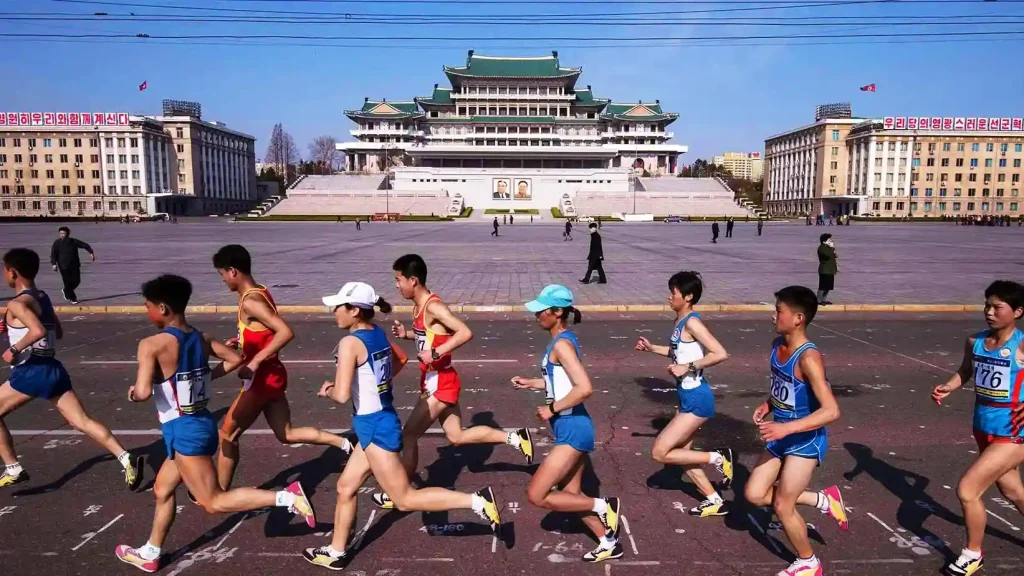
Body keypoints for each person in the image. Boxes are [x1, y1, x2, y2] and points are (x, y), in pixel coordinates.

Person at [115, 274, 315, 572]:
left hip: (185, 431)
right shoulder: (201, 337)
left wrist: (133, 394)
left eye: (148, 307)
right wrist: (205, 376)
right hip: (198, 425)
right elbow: (235, 359)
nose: (148, 313)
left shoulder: (151, 344)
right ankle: (151, 552)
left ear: (163, 307)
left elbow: (143, 392)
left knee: (212, 502)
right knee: (162, 489)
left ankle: (287, 497)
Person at [304, 282, 501, 569]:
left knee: (405, 499)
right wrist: (375, 385)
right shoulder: (376, 333)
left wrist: (329, 389)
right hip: (377, 420)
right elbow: (400, 359)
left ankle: (477, 502)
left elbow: (342, 395)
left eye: (339, 306)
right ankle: (336, 552)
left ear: (355, 311)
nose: (334, 311)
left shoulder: (350, 343)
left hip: (375, 427)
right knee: (345, 486)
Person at [371, 255, 532, 510]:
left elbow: (464, 332)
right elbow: (432, 335)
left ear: (413, 280)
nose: (396, 286)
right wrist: (408, 335)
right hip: (437, 379)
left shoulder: (434, 306)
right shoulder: (418, 306)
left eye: (398, 280)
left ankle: (400, 490)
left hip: (440, 381)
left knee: (409, 435)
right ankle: (513, 438)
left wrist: (436, 353)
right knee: (456, 436)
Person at [211, 245, 351, 494]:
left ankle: (219, 494)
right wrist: (242, 341)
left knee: (227, 435)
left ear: (232, 271)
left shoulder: (251, 301)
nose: (222, 280)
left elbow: (285, 331)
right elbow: (263, 331)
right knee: (285, 433)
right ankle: (343, 444)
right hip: (273, 375)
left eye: (221, 274)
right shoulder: (259, 291)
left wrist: (253, 362)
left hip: (262, 379)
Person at [0, 248, 142, 490]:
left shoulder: (18, 303)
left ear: (12, 272)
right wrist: (15, 329)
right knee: (81, 421)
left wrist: (13, 350)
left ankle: (13, 468)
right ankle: (126, 458)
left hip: (32, 370)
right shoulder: (42, 297)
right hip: (52, 368)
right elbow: (57, 331)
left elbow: (38, 331)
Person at [512, 284, 622, 563]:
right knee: (572, 494)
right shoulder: (561, 339)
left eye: (541, 310)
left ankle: (604, 505)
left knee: (537, 495)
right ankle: (608, 542)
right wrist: (533, 383)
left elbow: (584, 387)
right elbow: (561, 383)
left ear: (558, 312)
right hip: (570, 425)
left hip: (573, 426)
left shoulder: (561, 343)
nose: (536, 314)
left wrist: (551, 408)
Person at [744, 286, 848, 576]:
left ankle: (808, 562)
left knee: (782, 505)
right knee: (753, 494)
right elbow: (786, 386)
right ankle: (822, 500)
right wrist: (768, 404)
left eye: (779, 311)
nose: (773, 316)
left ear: (798, 318)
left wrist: (785, 427)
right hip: (780, 432)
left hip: (804, 439)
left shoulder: (809, 358)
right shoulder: (778, 344)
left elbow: (831, 410)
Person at [931, 280, 1024, 576]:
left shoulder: (1022, 345)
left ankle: (972, 555)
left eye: (998, 307)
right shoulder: (975, 341)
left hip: (1013, 432)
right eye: (987, 305)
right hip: (983, 428)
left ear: (1018, 312)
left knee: (968, 490)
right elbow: (965, 371)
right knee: (1013, 492)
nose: (990, 312)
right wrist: (949, 386)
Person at [635, 271, 733, 516]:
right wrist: (651, 348)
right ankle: (713, 500)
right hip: (686, 397)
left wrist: (687, 368)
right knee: (683, 455)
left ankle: (718, 458)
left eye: (674, 293)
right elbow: (677, 352)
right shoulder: (680, 322)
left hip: (698, 398)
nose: (670, 297)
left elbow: (720, 353)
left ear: (688, 297)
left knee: (660, 452)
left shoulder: (692, 322)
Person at [49, 226, 95, 304]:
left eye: (63, 233)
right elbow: (53, 254)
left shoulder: (73, 241)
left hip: (75, 265)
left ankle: (66, 290)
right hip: (63, 266)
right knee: (67, 282)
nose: (62, 235)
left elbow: (85, 245)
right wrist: (54, 264)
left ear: (68, 233)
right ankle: (73, 299)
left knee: (77, 281)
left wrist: (91, 253)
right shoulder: (57, 243)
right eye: (60, 233)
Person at [816, 234, 837, 306]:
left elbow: (834, 255)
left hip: (830, 270)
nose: (831, 241)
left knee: (828, 286)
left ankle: (824, 299)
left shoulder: (828, 247)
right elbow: (827, 255)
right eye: (829, 239)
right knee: (823, 286)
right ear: (825, 241)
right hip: (825, 270)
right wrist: (832, 248)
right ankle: (818, 300)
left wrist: (832, 249)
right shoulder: (822, 248)